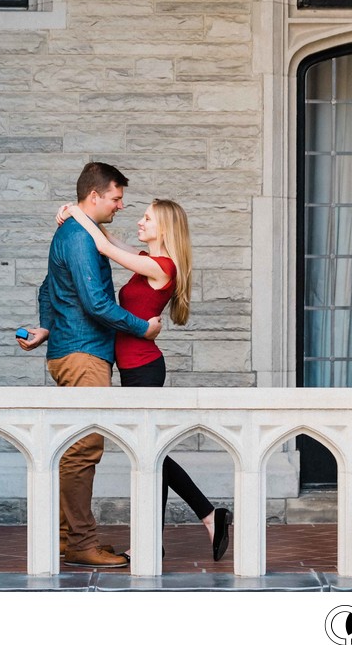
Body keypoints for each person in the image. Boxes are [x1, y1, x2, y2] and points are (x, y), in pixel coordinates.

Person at [56, 195, 232, 563]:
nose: (139, 222)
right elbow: (110, 240)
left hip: (144, 368)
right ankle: (186, 525)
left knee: (150, 453)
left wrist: (74, 212)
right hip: (135, 366)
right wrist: (82, 216)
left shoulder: (162, 267)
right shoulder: (149, 261)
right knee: (151, 453)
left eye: (147, 219)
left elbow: (102, 246)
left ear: (164, 228)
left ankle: (197, 519)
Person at [17, 161, 162, 569]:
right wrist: (142, 329)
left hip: (70, 349)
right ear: (94, 196)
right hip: (84, 355)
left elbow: (47, 287)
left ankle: (68, 538)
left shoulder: (73, 231)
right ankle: (81, 543)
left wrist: (46, 326)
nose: (120, 206)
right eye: (116, 199)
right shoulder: (80, 238)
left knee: (74, 448)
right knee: (84, 449)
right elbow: (96, 304)